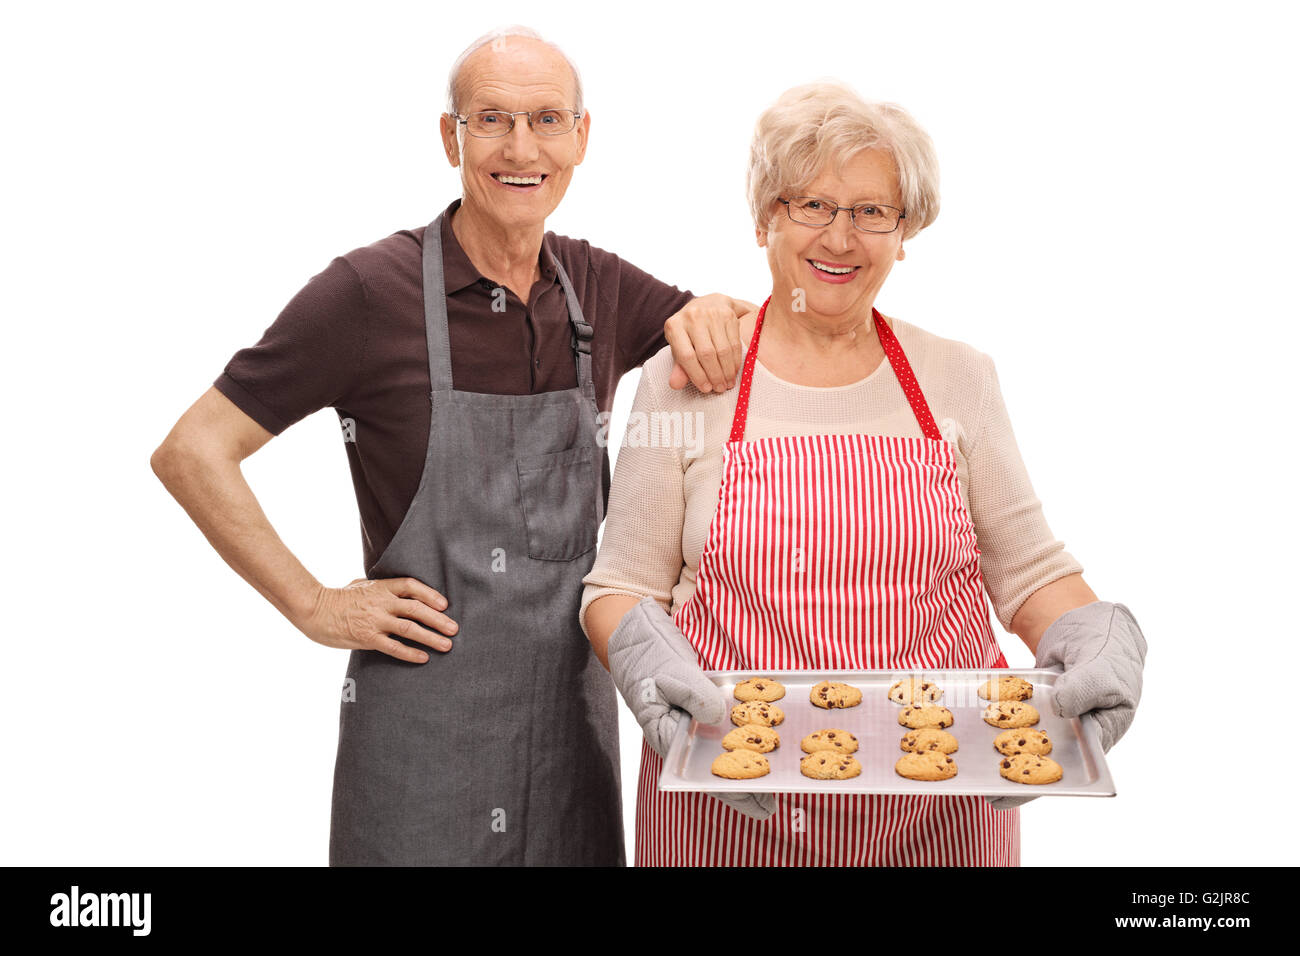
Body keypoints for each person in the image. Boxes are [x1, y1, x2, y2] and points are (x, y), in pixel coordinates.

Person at [150, 26, 752, 867]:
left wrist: (715, 308)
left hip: (571, 743)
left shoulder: (597, 287)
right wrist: (313, 605)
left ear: (582, 137)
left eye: (547, 120)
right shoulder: (368, 294)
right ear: (451, 137)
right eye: (492, 119)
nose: (521, 147)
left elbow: (750, 351)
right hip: (420, 752)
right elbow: (192, 450)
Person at [580, 82, 1147, 866]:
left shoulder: (958, 377)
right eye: (811, 204)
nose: (840, 238)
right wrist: (645, 658)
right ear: (764, 218)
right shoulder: (685, 383)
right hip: (725, 806)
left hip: (944, 811)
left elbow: (1029, 574)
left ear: (905, 230)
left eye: (872, 211)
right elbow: (621, 586)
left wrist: (1096, 634)